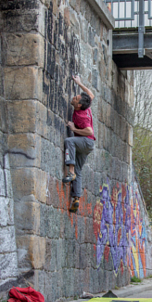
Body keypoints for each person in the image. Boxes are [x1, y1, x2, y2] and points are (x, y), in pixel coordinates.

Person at [63, 76, 95, 212]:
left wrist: (73, 128)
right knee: (79, 170)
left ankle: (70, 172)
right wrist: (79, 83)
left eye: (75, 99)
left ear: (79, 105)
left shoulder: (82, 115)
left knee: (68, 141)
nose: (73, 98)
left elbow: (89, 130)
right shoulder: (86, 104)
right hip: (87, 145)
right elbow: (90, 94)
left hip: (86, 141)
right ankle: (76, 198)